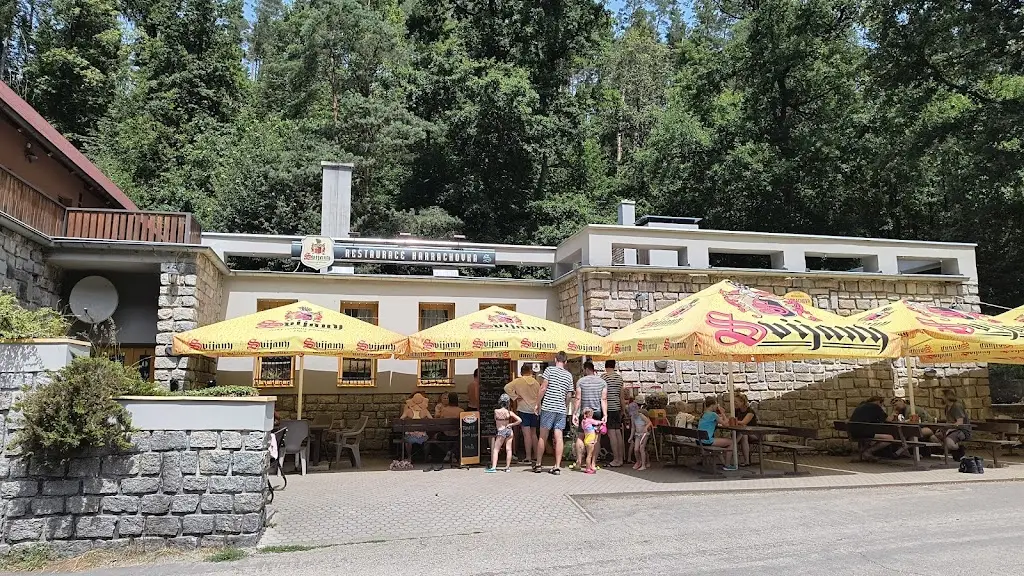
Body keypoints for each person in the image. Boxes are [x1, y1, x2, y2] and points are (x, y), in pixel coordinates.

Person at [534, 351, 575, 475]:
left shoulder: (549, 370)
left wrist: (537, 403)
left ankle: (538, 464)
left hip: (548, 406)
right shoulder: (569, 375)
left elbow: (543, 388)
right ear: (566, 362)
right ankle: (557, 466)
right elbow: (569, 395)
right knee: (559, 437)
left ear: (555, 359)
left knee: (543, 436)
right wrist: (565, 405)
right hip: (561, 409)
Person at [572, 361, 607, 471]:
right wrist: (605, 414)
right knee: (596, 439)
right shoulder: (602, 382)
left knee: (581, 436)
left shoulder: (581, 381)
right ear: (593, 369)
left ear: (586, 369)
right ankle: (592, 463)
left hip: (585, 413)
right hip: (596, 413)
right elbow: (604, 399)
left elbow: (578, 398)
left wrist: (574, 413)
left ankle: (579, 462)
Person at [505, 364, 540, 465]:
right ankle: (536, 456)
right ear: (530, 371)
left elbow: (507, 387)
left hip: (523, 409)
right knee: (534, 434)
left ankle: (528, 456)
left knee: (526, 434)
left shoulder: (518, 381)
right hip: (535, 410)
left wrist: (515, 397)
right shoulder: (536, 383)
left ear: (521, 372)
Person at [848, 396, 893, 462]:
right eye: (882, 404)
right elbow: (888, 419)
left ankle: (863, 454)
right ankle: (868, 452)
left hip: (854, 432)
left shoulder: (861, 406)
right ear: (878, 402)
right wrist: (894, 412)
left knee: (871, 438)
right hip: (863, 432)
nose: (882, 406)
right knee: (890, 438)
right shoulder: (875, 407)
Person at [487, 394, 522, 472]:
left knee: (496, 449)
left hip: (501, 431)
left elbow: (495, 420)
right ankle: (507, 467)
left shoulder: (496, 411)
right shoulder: (509, 412)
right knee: (509, 449)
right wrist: (511, 424)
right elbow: (520, 420)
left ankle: (493, 467)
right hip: (509, 430)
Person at [697, 396, 734, 469]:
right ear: (712, 405)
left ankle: (724, 464)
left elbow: (717, 420)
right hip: (707, 441)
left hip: (699, 440)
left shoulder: (704, 414)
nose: (716, 407)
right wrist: (722, 412)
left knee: (717, 443)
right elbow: (726, 424)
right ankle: (727, 465)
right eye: (716, 405)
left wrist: (720, 416)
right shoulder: (713, 414)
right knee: (731, 442)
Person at [935, 389, 972, 461]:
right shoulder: (946, 408)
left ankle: (959, 449)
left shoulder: (957, 406)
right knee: (935, 437)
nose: (941, 397)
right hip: (951, 429)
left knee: (948, 442)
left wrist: (949, 429)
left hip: (961, 430)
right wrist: (942, 428)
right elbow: (949, 421)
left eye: (942, 395)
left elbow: (960, 422)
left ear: (947, 396)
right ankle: (947, 452)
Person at [602, 360, 626, 467]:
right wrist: (623, 410)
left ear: (606, 366)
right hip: (617, 408)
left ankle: (616, 459)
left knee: (612, 434)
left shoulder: (604, 378)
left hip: (609, 408)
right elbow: (622, 397)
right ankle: (621, 458)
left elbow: (603, 396)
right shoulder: (619, 378)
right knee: (618, 433)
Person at [400, 392, 432, 460]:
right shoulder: (425, 411)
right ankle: (426, 457)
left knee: (407, 441)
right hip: (422, 437)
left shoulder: (408, 411)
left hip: (410, 437)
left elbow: (401, 420)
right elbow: (432, 420)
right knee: (427, 440)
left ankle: (409, 456)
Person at [733, 393, 758, 467]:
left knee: (743, 435)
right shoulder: (736, 411)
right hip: (743, 432)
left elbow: (744, 422)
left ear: (742, 402)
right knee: (743, 434)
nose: (734, 403)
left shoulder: (750, 412)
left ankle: (746, 461)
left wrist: (735, 421)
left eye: (736, 402)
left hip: (755, 434)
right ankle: (732, 445)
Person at [627, 399, 652, 470]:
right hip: (637, 434)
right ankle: (638, 461)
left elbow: (649, 423)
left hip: (644, 434)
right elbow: (633, 428)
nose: (633, 414)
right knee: (636, 449)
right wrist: (631, 437)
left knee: (642, 448)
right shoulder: (632, 418)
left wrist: (646, 427)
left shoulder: (641, 416)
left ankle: (643, 465)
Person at [579, 407, 601, 474]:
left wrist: (595, 428)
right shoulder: (589, 420)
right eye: (591, 414)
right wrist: (603, 421)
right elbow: (596, 422)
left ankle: (588, 468)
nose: (592, 415)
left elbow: (589, 428)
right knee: (589, 455)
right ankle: (588, 468)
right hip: (590, 440)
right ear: (588, 414)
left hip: (587, 439)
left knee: (588, 454)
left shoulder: (584, 421)